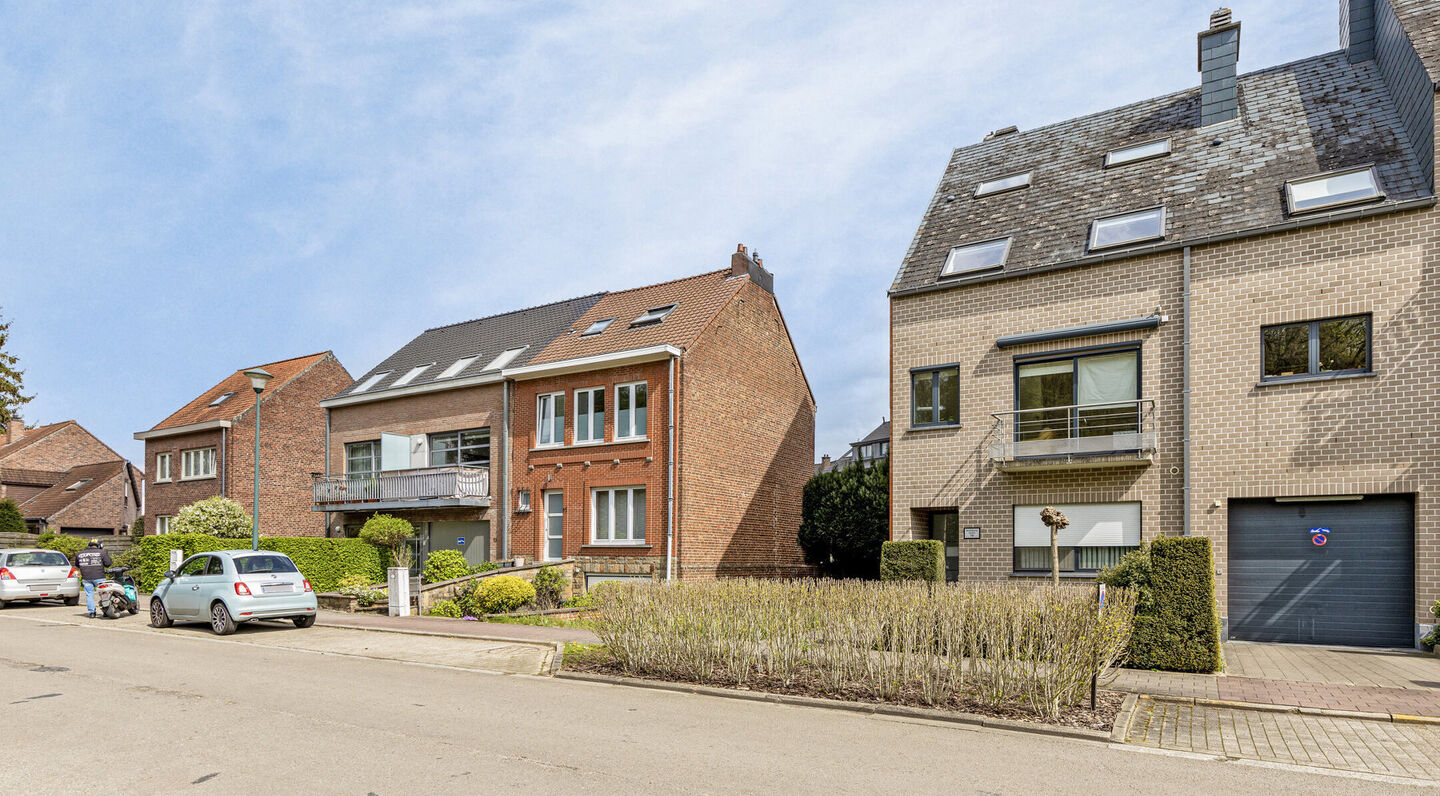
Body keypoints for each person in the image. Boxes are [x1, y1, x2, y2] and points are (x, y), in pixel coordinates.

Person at [75, 539, 112, 618]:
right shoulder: (101, 552)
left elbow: (77, 565)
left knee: (89, 595)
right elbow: (108, 564)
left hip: (86, 578)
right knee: (104, 594)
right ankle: (106, 611)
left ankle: (92, 613)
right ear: (99, 545)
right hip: (100, 577)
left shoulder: (80, 554)